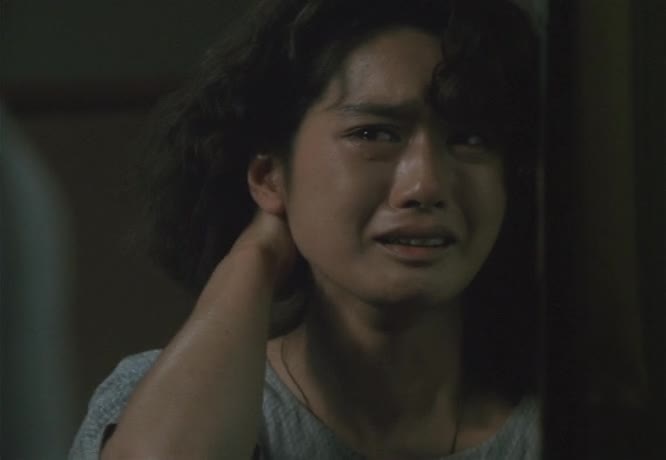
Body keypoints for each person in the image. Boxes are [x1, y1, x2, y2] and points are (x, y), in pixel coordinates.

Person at [70, 0, 541, 458]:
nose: (425, 185)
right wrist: (256, 256)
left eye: (471, 138)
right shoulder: (157, 399)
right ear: (268, 175)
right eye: (373, 134)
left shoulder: (558, 424)